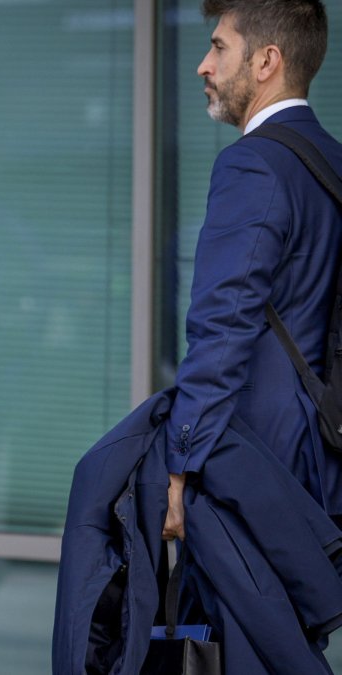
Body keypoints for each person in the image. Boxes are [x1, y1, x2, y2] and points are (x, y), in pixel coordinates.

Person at [164, 0, 342, 540]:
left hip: (255, 465)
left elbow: (223, 325)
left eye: (219, 47)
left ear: (267, 61)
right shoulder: (331, 159)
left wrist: (179, 463)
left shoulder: (253, 163)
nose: (203, 65)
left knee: (226, 626)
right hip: (323, 459)